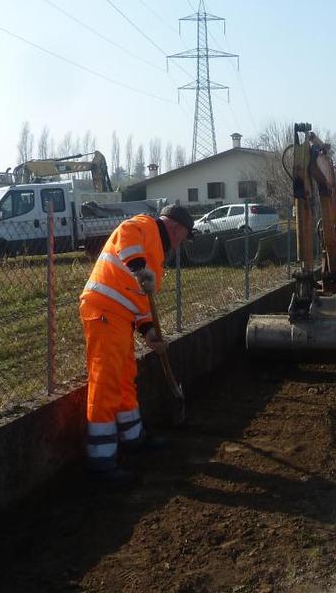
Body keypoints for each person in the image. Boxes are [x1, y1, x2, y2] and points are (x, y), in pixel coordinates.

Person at [79, 204, 194, 483]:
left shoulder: (156, 258)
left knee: (124, 377)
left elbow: (141, 300)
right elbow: (125, 235)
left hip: (121, 318)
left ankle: (132, 437)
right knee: (105, 381)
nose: (181, 244)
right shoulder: (145, 226)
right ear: (177, 229)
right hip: (104, 311)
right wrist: (139, 267)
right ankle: (101, 461)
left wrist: (149, 332)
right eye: (185, 236)